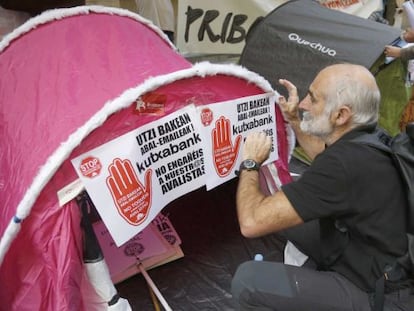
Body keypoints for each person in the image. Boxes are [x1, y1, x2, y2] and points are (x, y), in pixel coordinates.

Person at [231, 63, 413, 310]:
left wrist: (250, 163)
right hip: (378, 256)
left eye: (313, 99)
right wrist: (294, 119)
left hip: (377, 293)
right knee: (290, 221)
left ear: (341, 115)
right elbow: (324, 155)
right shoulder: (370, 138)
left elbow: (251, 222)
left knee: (248, 280)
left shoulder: (342, 165)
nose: (304, 103)